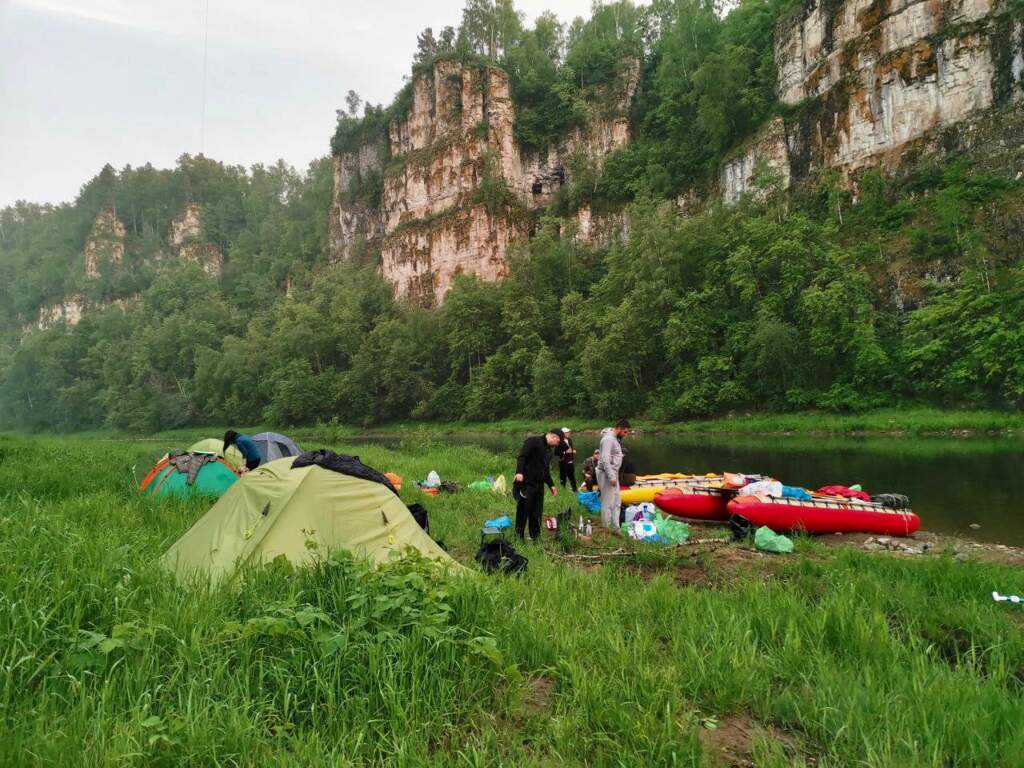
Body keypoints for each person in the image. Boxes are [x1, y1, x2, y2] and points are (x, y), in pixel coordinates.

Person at [513, 429, 562, 541]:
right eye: (558, 442)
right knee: (523, 511)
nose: (557, 444)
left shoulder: (549, 451)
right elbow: (522, 456)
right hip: (527, 484)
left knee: (536, 513)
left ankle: (535, 537)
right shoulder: (533, 441)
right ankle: (518, 537)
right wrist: (519, 472)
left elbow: (546, 470)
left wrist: (551, 485)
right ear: (554, 437)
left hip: (539, 486)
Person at [597, 418, 631, 531]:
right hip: (607, 474)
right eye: (625, 432)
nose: (626, 434)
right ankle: (606, 528)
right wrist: (611, 476)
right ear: (619, 428)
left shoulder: (614, 439)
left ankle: (616, 528)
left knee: (617, 502)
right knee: (607, 502)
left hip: (613, 473)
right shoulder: (608, 439)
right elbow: (605, 459)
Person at [555, 426, 578, 492]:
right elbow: (556, 453)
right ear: (563, 433)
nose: (569, 433)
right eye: (567, 432)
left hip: (571, 461)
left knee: (572, 477)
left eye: (568, 432)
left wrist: (573, 451)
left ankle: (575, 490)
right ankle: (563, 491)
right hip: (563, 462)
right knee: (563, 477)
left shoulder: (569, 440)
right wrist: (565, 452)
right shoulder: (559, 441)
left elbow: (571, 449)